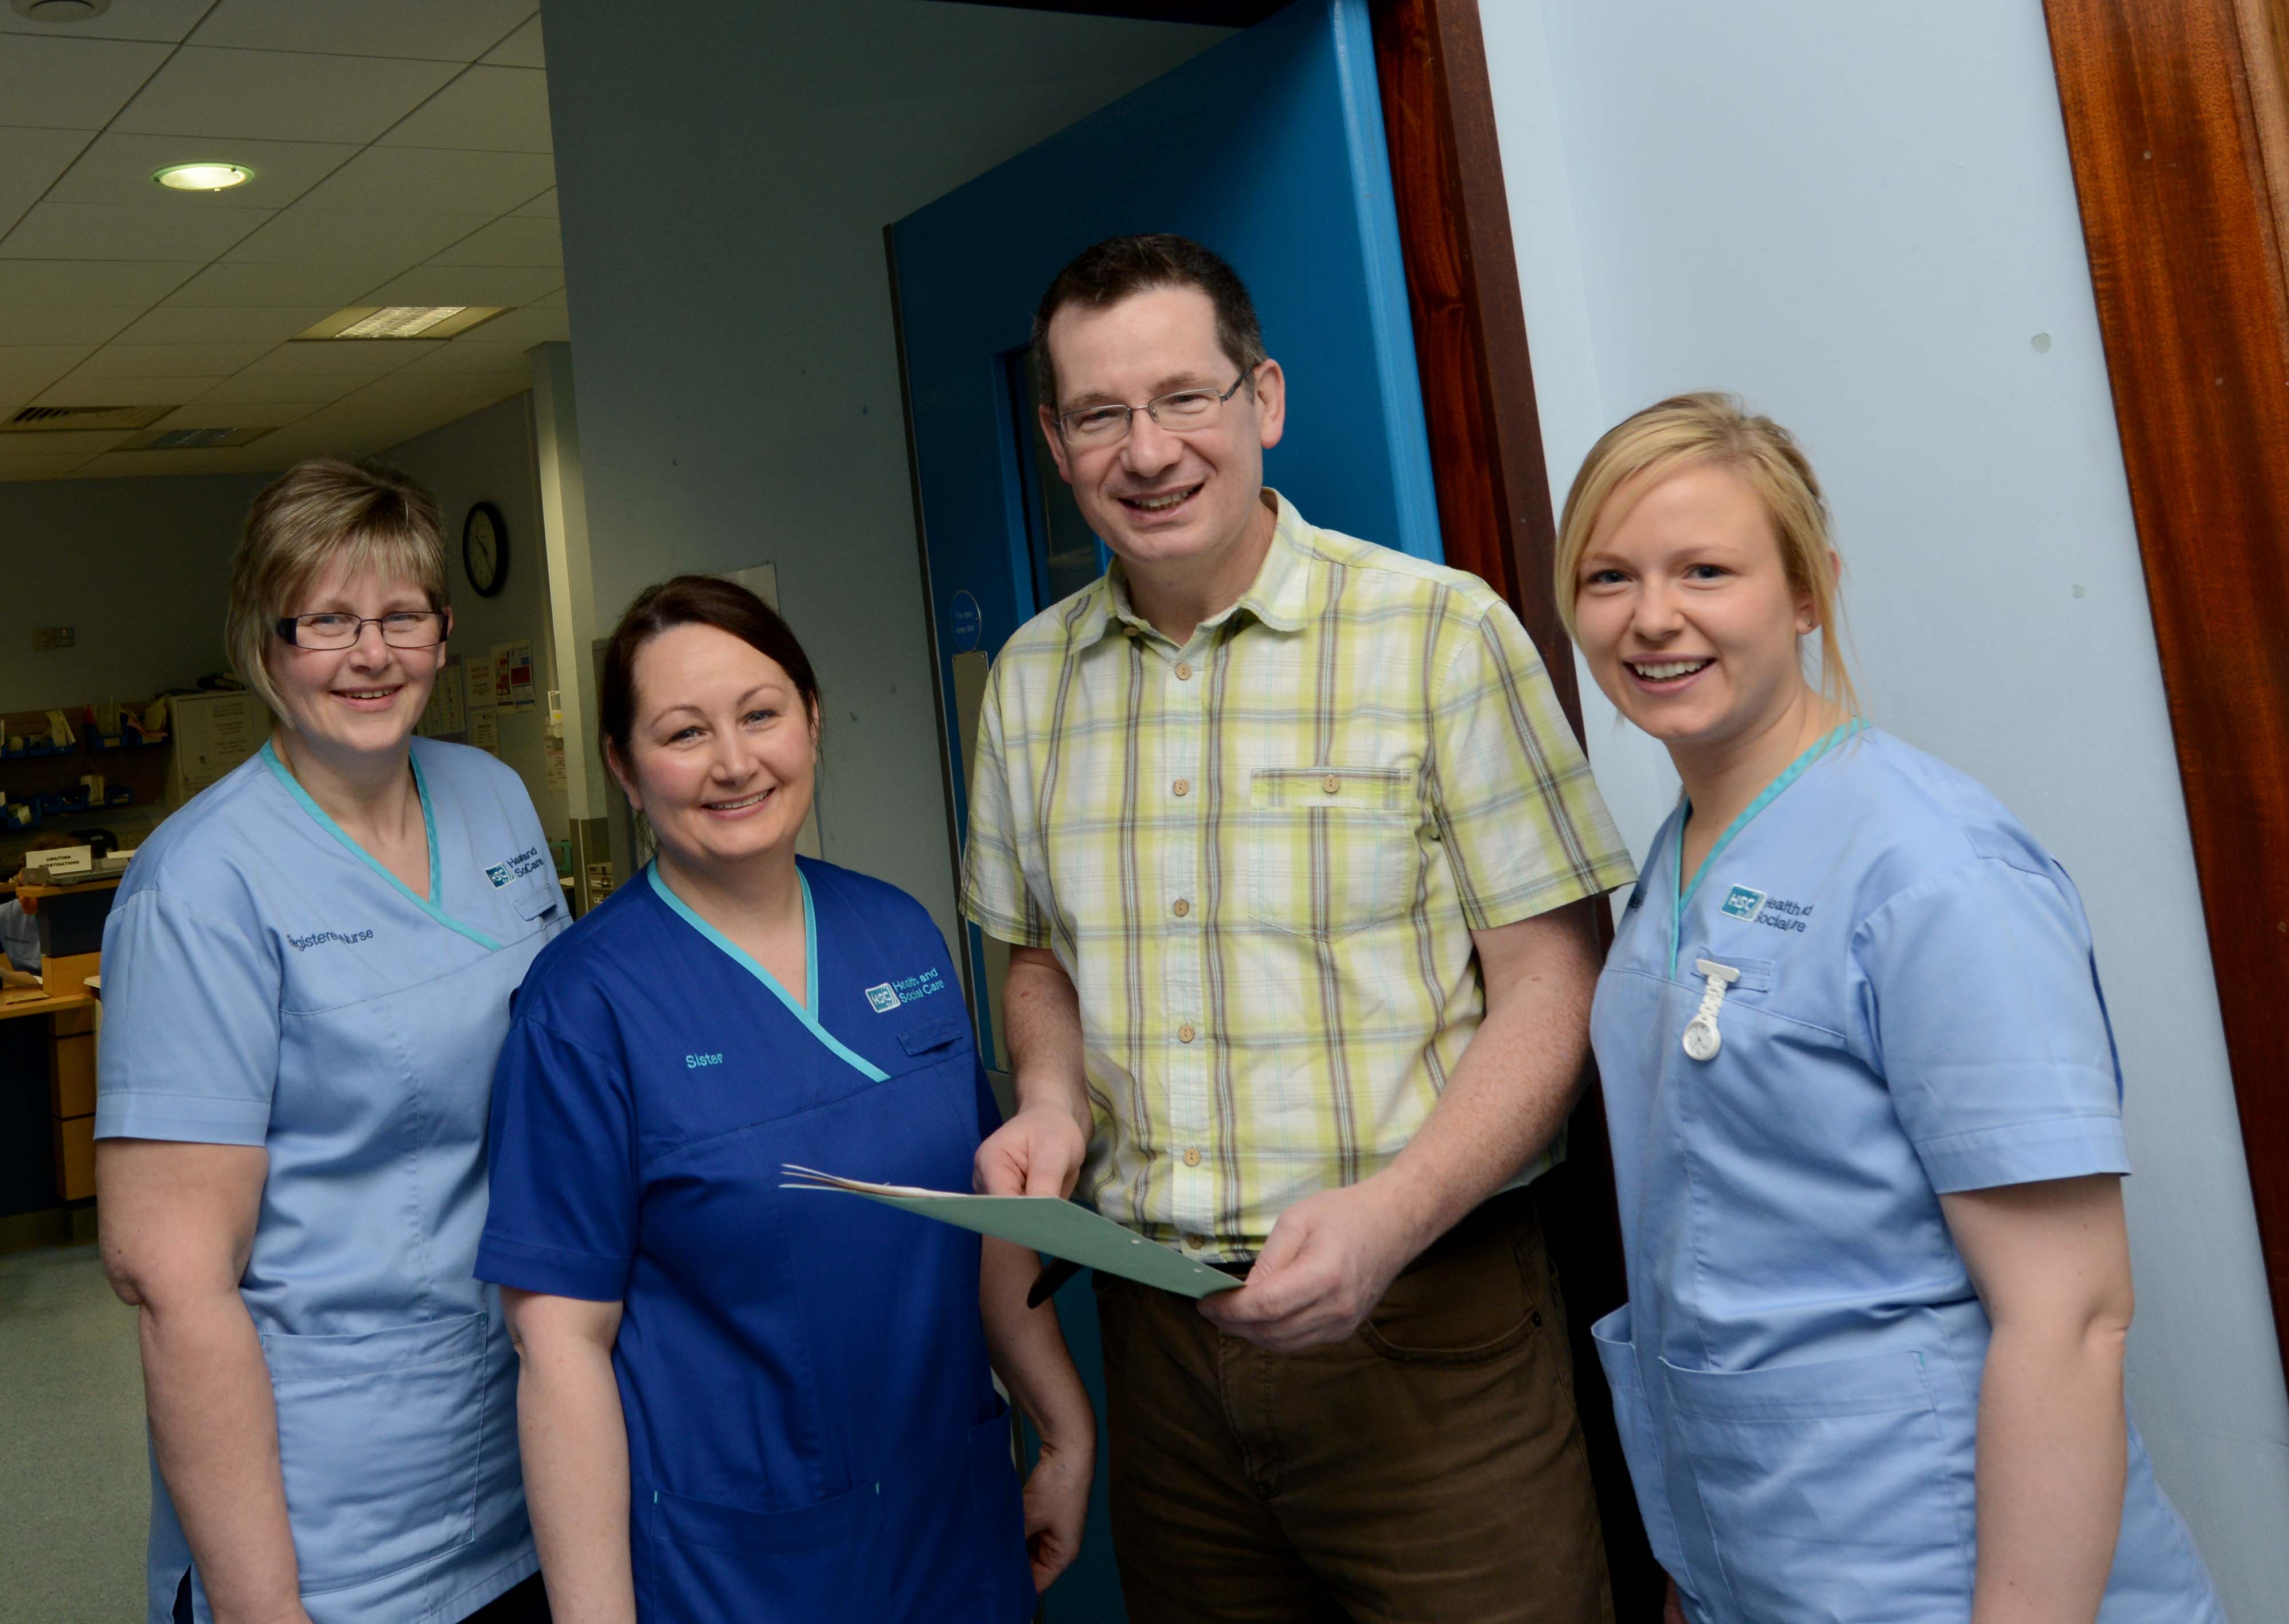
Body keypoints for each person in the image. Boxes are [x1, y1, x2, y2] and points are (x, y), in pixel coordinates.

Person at [964, 232, 1635, 1624]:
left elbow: (1554, 980)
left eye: (1183, 399)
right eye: (1099, 414)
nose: (1145, 451)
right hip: (1163, 1345)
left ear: (1261, 400)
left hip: (1429, 1330)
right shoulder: (1030, 682)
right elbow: (1035, 951)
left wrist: (1394, 1215)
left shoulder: (1441, 636)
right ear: (1054, 439)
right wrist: (1048, 1099)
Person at [1558, 393, 2224, 1624]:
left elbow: (2069, 1316)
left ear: (1807, 591)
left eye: (1706, 569)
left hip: (1948, 1573)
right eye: (1608, 576)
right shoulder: (1682, 863)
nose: (1652, 617)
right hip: (1765, 1561)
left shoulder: (1933, 872)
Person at [479, 576, 1092, 1624]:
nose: (733, 761)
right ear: (626, 768)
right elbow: (561, 1345)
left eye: (761, 713)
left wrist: (1064, 1421)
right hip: (742, 1558)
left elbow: (979, 1218)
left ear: (811, 717)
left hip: (955, 1518)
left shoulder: (899, 932)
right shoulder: (583, 1003)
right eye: (683, 732)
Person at [96, 459, 568, 1624]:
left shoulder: (494, 798)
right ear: (263, 644)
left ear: (445, 633)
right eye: (329, 621)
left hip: (534, 1439)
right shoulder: (201, 885)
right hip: (334, 1513)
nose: (372, 654)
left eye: (402, 615)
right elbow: (174, 1282)